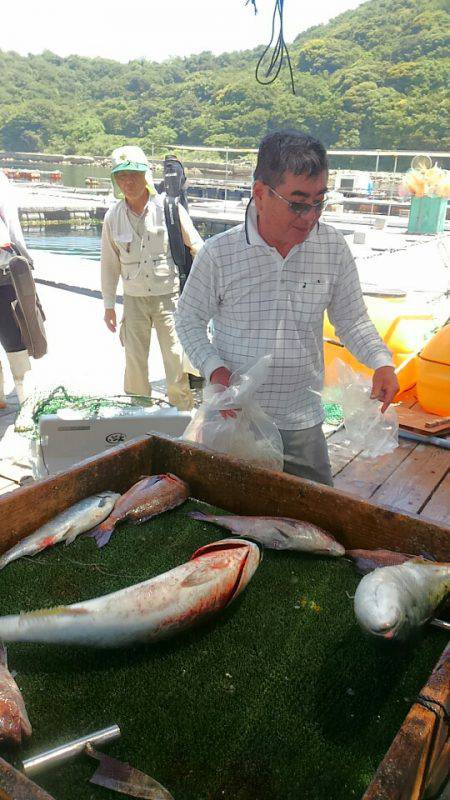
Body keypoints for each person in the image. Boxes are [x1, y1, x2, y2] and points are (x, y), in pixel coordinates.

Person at [175, 131, 399, 485]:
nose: (310, 217)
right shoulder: (219, 254)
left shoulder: (332, 247)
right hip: (235, 417)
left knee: (316, 508)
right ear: (260, 193)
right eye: (298, 203)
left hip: (302, 418)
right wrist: (215, 370)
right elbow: (188, 320)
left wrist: (381, 361)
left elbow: (352, 318)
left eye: (319, 202)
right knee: (231, 508)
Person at [101, 146, 203, 411]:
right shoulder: (112, 217)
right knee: (134, 361)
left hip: (169, 298)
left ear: (146, 175)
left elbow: (198, 248)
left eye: (134, 174)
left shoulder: (169, 209)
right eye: (121, 176)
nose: (128, 181)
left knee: (175, 357)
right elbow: (109, 265)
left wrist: (204, 293)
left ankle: (182, 411)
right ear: (115, 180)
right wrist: (109, 306)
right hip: (133, 299)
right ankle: (139, 411)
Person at [0, 170, 35, 406]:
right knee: (14, 337)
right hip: (3, 272)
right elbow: (12, 225)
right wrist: (26, 260)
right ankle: (24, 398)